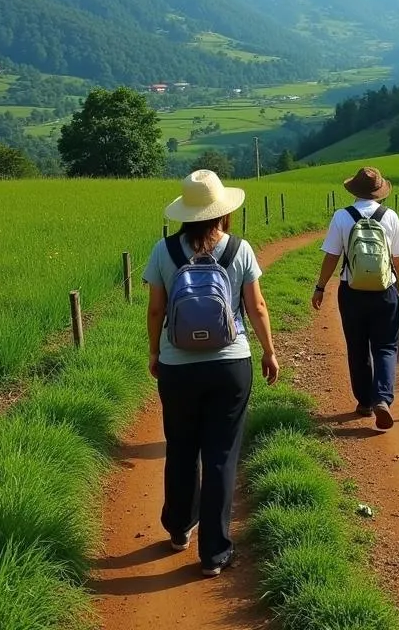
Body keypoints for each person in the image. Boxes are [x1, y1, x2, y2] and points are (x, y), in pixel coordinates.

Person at [144, 169, 279, 577]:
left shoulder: (163, 250)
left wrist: (155, 352)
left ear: (185, 211)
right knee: (221, 455)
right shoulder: (239, 249)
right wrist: (269, 351)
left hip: (178, 366)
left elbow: (155, 310)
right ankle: (215, 554)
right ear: (222, 210)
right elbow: (256, 308)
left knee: (181, 448)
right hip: (230, 365)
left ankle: (179, 529)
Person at [312, 166, 399, 431]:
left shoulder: (342, 217)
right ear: (379, 192)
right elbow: (397, 257)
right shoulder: (390, 217)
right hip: (384, 290)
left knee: (357, 346)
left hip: (351, 292)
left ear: (354, 190)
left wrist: (320, 287)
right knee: (386, 347)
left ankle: (365, 402)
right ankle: (383, 399)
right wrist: (398, 288)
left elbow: (331, 255)